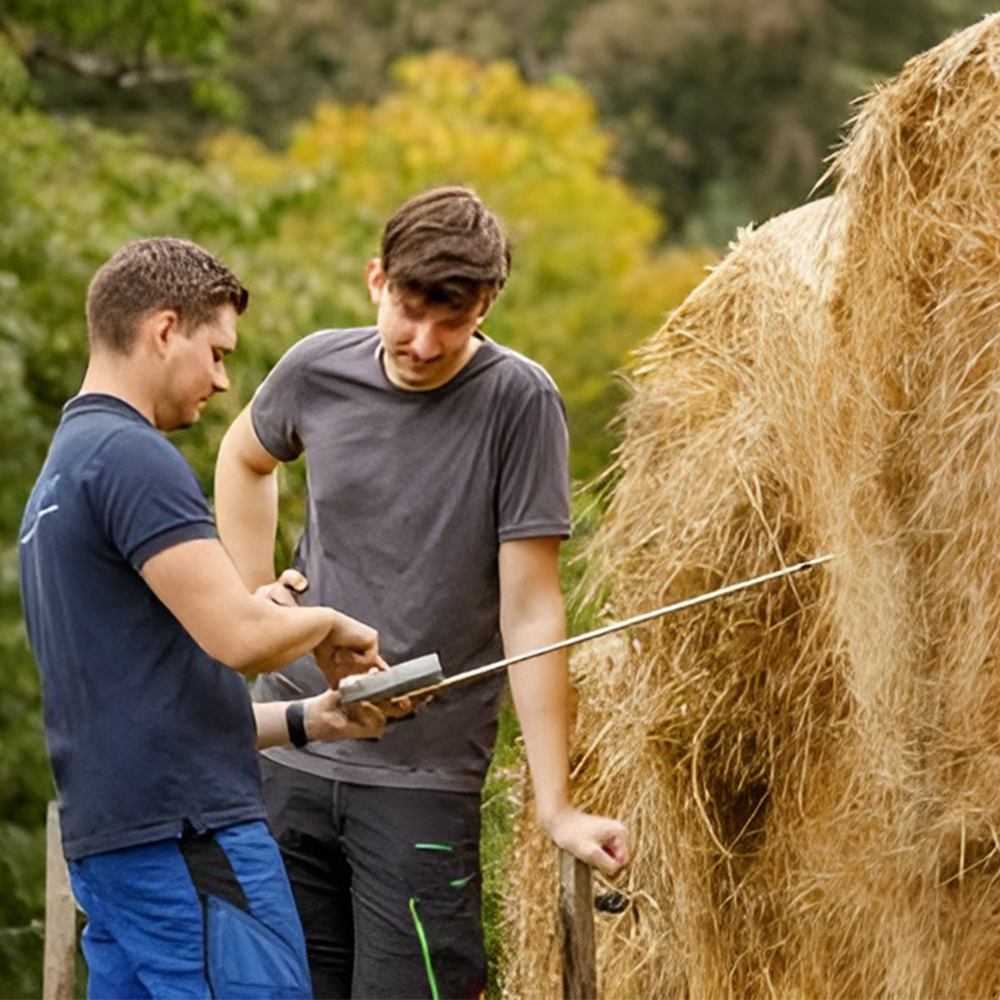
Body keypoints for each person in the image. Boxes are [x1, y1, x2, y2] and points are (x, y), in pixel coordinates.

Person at [215, 186, 631, 999]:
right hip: (287, 754)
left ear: (488, 304)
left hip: (423, 783)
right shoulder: (315, 368)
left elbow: (532, 609)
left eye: (455, 320)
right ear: (377, 278)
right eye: (408, 310)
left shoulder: (520, 401)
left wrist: (557, 806)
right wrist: (252, 590)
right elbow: (243, 458)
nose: (425, 341)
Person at [18, 237, 389, 1000]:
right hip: (189, 844)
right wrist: (325, 623)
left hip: (115, 850)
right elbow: (242, 642)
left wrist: (310, 720)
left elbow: (149, 702)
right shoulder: (133, 457)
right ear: (162, 331)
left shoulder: (60, 475)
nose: (223, 380)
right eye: (216, 353)